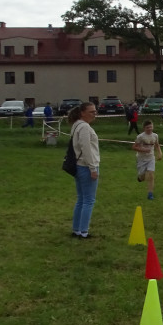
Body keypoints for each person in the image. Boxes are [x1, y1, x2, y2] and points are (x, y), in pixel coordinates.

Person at [69, 102, 100, 239]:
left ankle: (77, 229)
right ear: (82, 113)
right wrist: (93, 168)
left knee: (81, 199)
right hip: (86, 166)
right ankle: (83, 231)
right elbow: (86, 149)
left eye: (95, 111)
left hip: (79, 165)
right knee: (89, 200)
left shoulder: (76, 126)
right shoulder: (85, 128)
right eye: (91, 112)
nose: (94, 114)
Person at [133, 119, 163, 200]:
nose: (149, 129)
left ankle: (150, 194)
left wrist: (160, 153)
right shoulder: (140, 137)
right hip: (141, 159)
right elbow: (134, 147)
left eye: (150, 127)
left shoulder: (155, 136)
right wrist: (144, 150)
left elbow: (157, 145)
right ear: (144, 128)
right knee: (142, 177)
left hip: (151, 158)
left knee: (151, 175)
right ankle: (140, 177)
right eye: (147, 127)